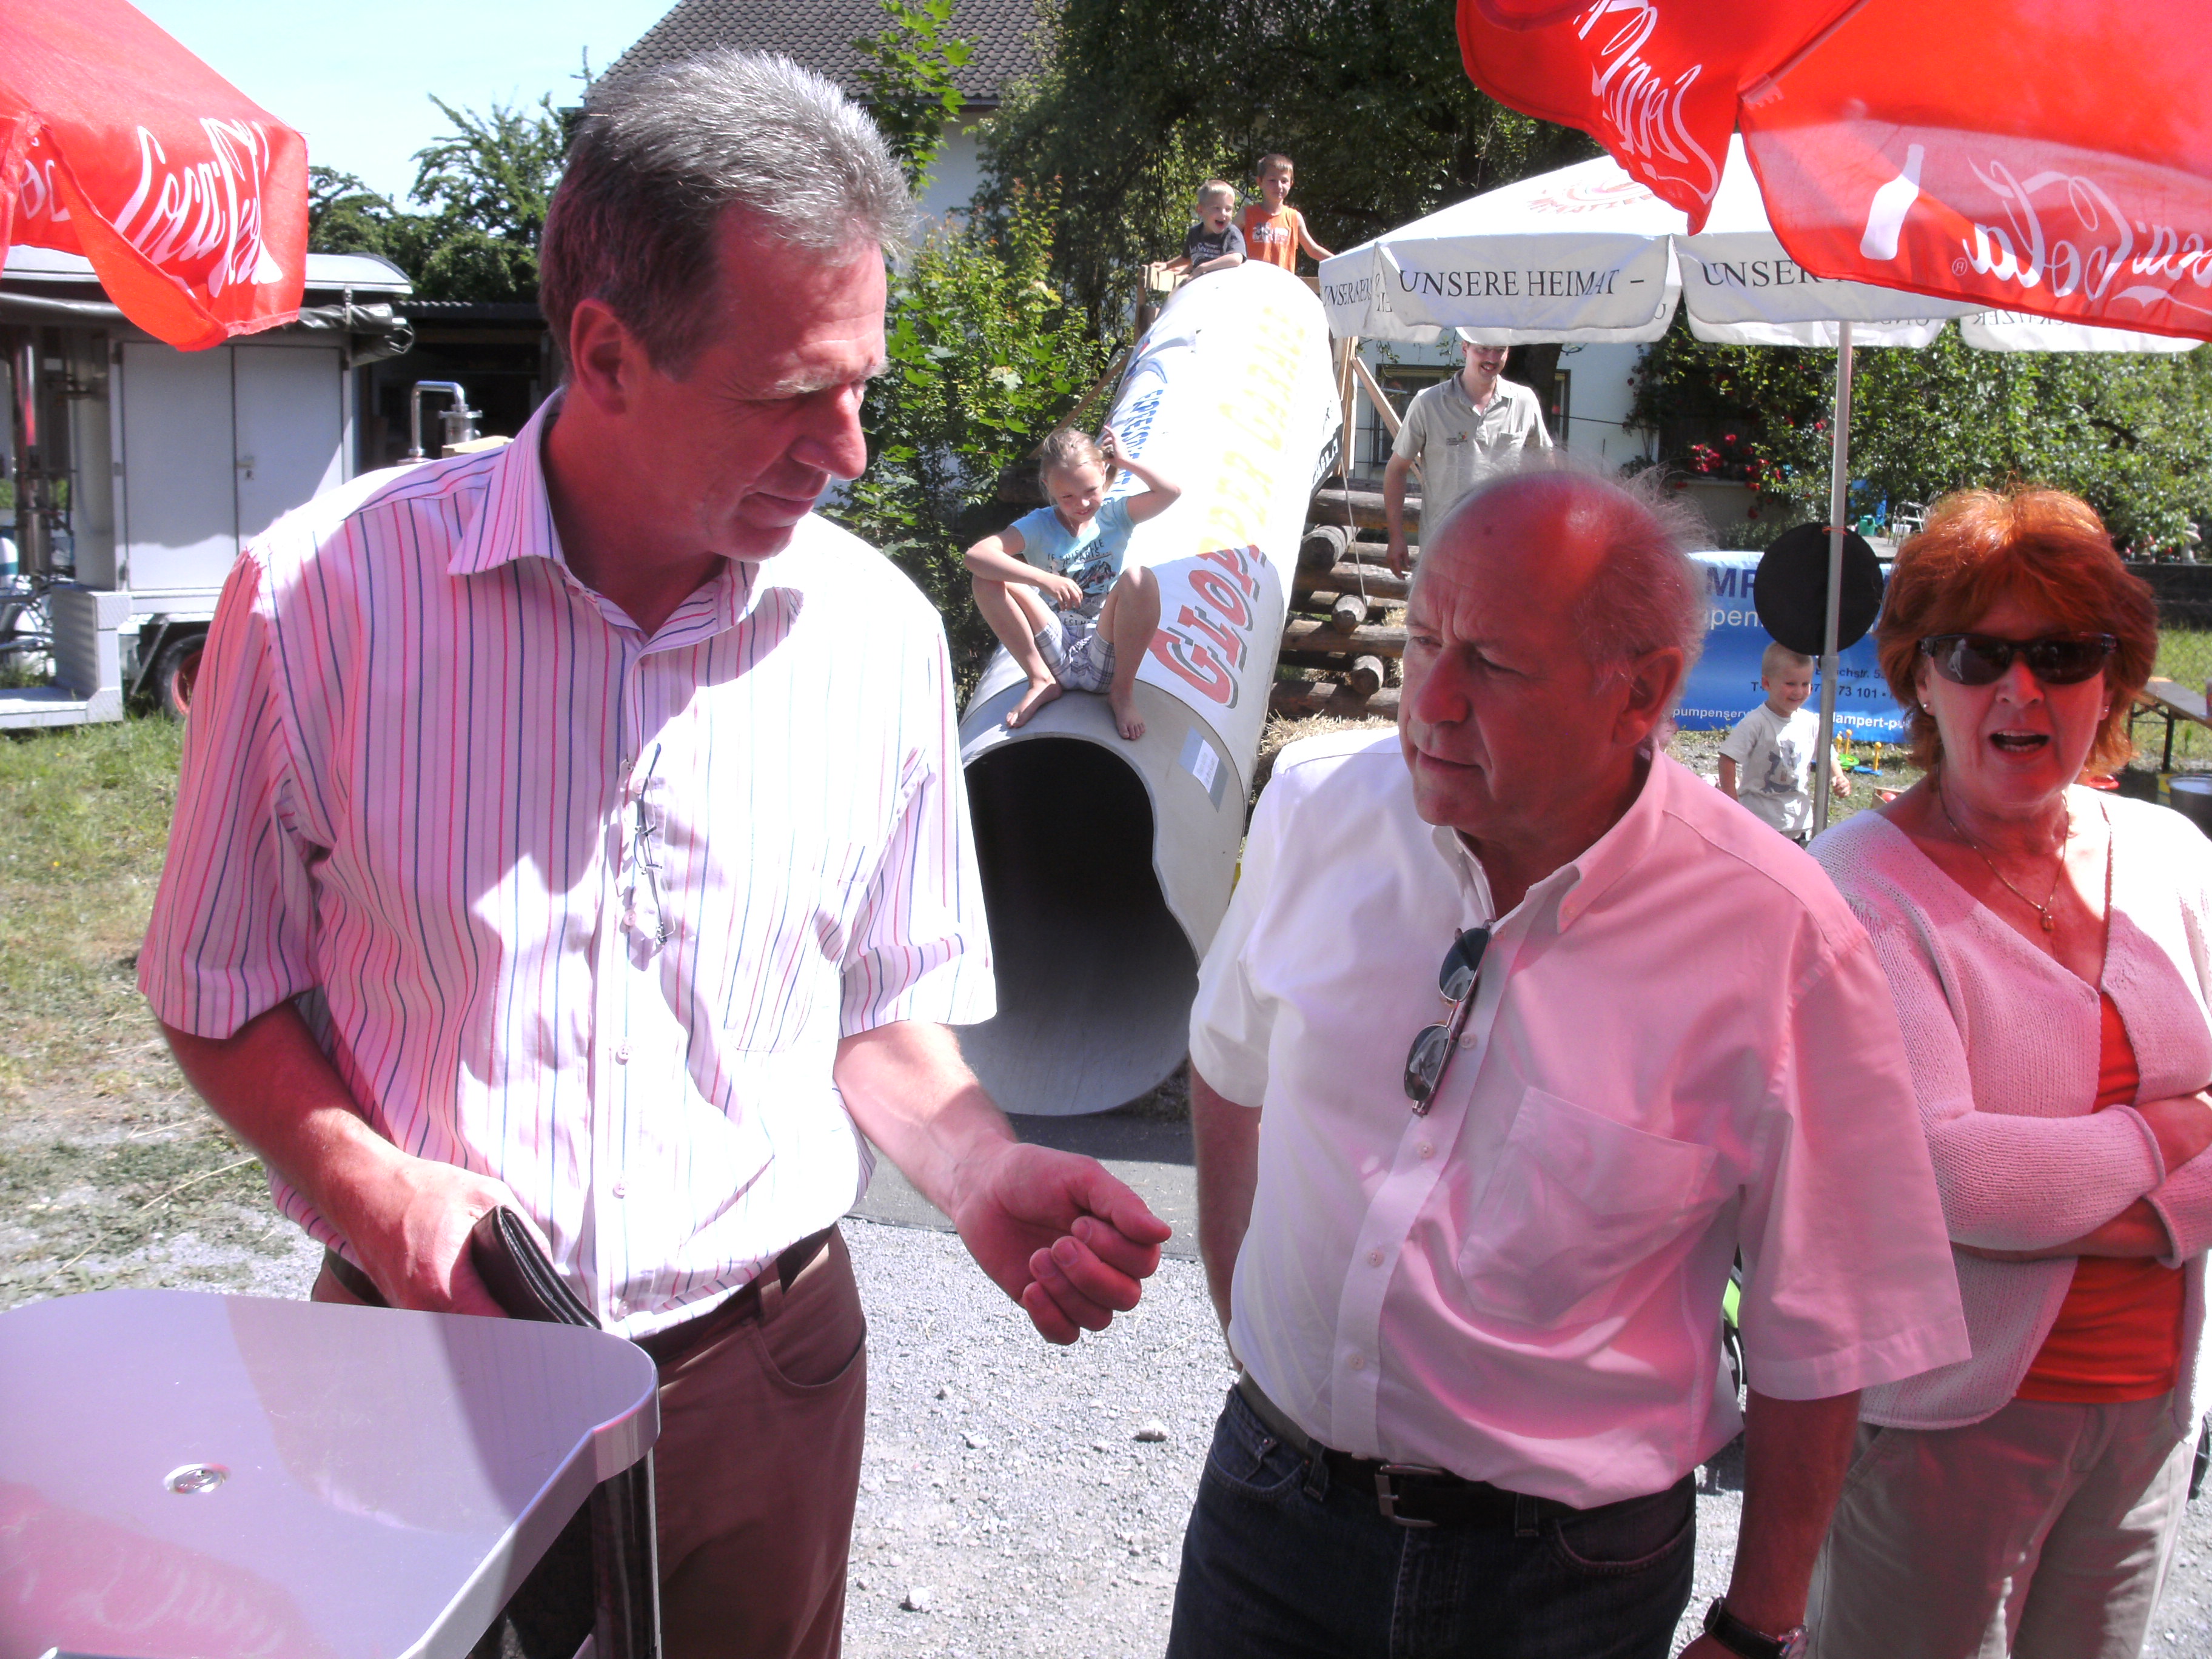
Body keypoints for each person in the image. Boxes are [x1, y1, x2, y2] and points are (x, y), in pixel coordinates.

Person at [136, 50, 1171, 1659]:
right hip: (421, 1367)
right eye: (788, 396)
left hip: (765, 1380)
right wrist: (369, 1185)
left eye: (862, 384)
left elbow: (876, 1010)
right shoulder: (321, 597)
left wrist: (976, 1167)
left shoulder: (877, 636)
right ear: (607, 353)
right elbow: (215, 982)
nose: (848, 452)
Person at [1170, 461, 1971, 1659]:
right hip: (1270, 1518)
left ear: (1638, 693)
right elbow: (1230, 1064)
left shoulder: (1778, 935)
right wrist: (1253, 1329)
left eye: (1491, 663)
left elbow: (1826, 1313)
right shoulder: (1318, 810)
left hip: (1560, 1584)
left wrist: (1758, 1625)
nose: (1430, 700)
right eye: (1423, 639)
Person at [1806, 488, 2212, 1659]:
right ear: (1918, 676)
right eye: (1976, 653)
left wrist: (2073, 1204)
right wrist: (2172, 1139)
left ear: (2112, 679)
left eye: (2062, 654)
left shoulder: (2171, 857)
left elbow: (2001, 1196)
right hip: (1943, 1427)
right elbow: (1951, 1179)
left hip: (2150, 1415)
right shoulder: (1854, 890)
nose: (2019, 690)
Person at [962, 426, 1175, 740]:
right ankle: (1040, 680)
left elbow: (1170, 492)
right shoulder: (1039, 524)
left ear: (1103, 473)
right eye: (1067, 497)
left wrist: (1125, 462)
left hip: (1104, 647)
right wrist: (1043, 578)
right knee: (986, 578)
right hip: (1055, 648)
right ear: (1048, 487)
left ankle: (1122, 693)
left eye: (1090, 490)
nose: (1082, 503)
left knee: (1139, 577)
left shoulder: (1115, 515)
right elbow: (976, 556)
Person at [1384, 337, 1553, 575]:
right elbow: (1396, 469)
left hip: (1505, 547)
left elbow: (1546, 467)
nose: (1491, 358)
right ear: (1465, 348)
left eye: (1500, 350)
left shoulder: (1524, 402)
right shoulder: (1429, 402)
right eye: (1483, 349)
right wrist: (1396, 535)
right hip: (1443, 548)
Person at [1720, 641, 1851, 843]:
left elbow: (1827, 753)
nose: (1799, 691)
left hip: (1798, 823)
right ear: (1767, 684)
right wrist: (1731, 802)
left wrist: (1839, 776)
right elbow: (1727, 758)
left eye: (1805, 684)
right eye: (1790, 684)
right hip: (1759, 821)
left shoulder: (1810, 722)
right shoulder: (1756, 722)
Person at [1241, 153, 1333, 274]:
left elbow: (1312, 249)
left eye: (1284, 181)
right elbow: (1226, 241)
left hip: (1283, 282)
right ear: (1260, 182)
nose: (1279, 186)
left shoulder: (1294, 218)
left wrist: (1341, 261)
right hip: (1253, 280)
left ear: (1291, 184)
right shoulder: (1246, 214)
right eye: (1272, 180)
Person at [1159, 180, 1247, 283]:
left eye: (1228, 209)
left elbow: (1236, 259)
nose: (1223, 213)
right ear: (1200, 210)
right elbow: (1187, 258)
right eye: (1217, 208)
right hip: (1199, 286)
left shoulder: (1231, 233)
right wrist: (1167, 265)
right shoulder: (1195, 233)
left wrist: (1203, 268)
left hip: (1223, 285)